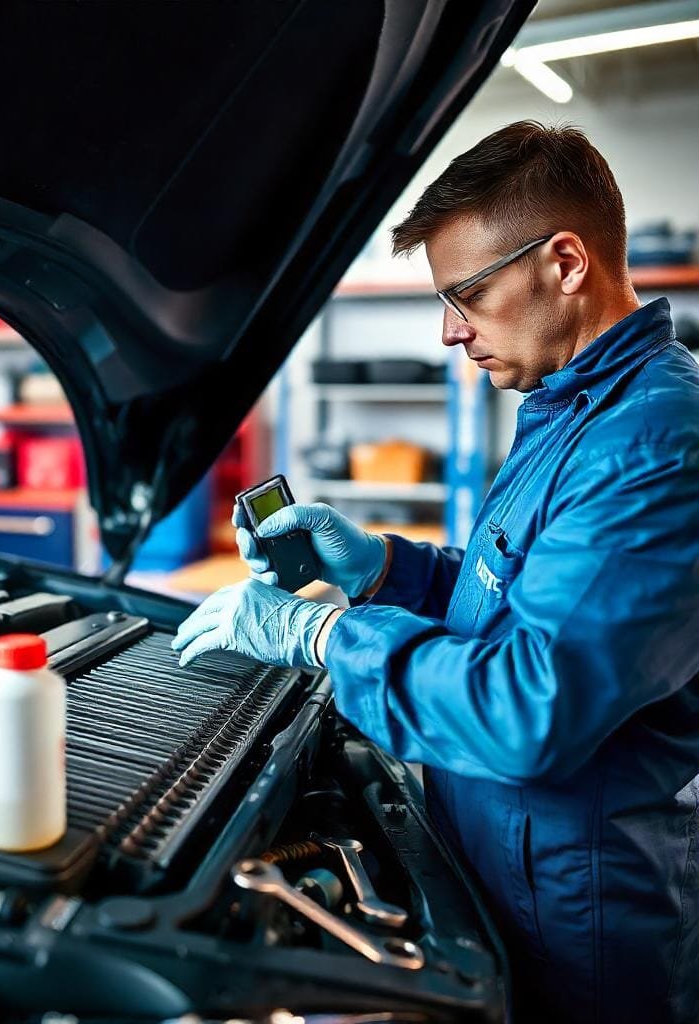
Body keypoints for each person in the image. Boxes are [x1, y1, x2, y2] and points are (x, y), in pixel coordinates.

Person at [172, 121, 699, 1023]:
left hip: (582, 919)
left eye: (467, 295)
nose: (451, 332)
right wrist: (385, 568)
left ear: (565, 262)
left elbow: (529, 706)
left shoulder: (652, 439)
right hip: (503, 865)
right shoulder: (570, 406)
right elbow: (525, 597)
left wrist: (325, 634)